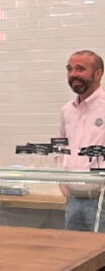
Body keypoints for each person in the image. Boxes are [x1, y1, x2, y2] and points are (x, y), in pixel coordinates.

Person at [58, 50, 105, 231]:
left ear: (98, 73)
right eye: (69, 69)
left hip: (101, 200)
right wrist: (62, 179)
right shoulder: (67, 111)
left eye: (80, 69)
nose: (73, 75)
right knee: (74, 254)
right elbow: (61, 145)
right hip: (73, 200)